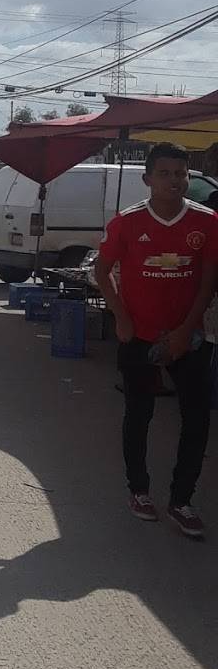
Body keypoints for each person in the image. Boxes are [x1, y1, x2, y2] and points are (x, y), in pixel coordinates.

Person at [94, 141, 218, 537]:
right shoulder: (126, 223)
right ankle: (140, 491)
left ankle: (182, 500)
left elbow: (208, 282)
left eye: (180, 173)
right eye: (164, 174)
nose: (174, 181)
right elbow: (102, 271)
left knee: (197, 420)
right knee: (139, 415)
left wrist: (185, 331)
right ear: (147, 179)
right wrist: (122, 319)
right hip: (139, 336)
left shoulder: (207, 222)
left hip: (190, 339)